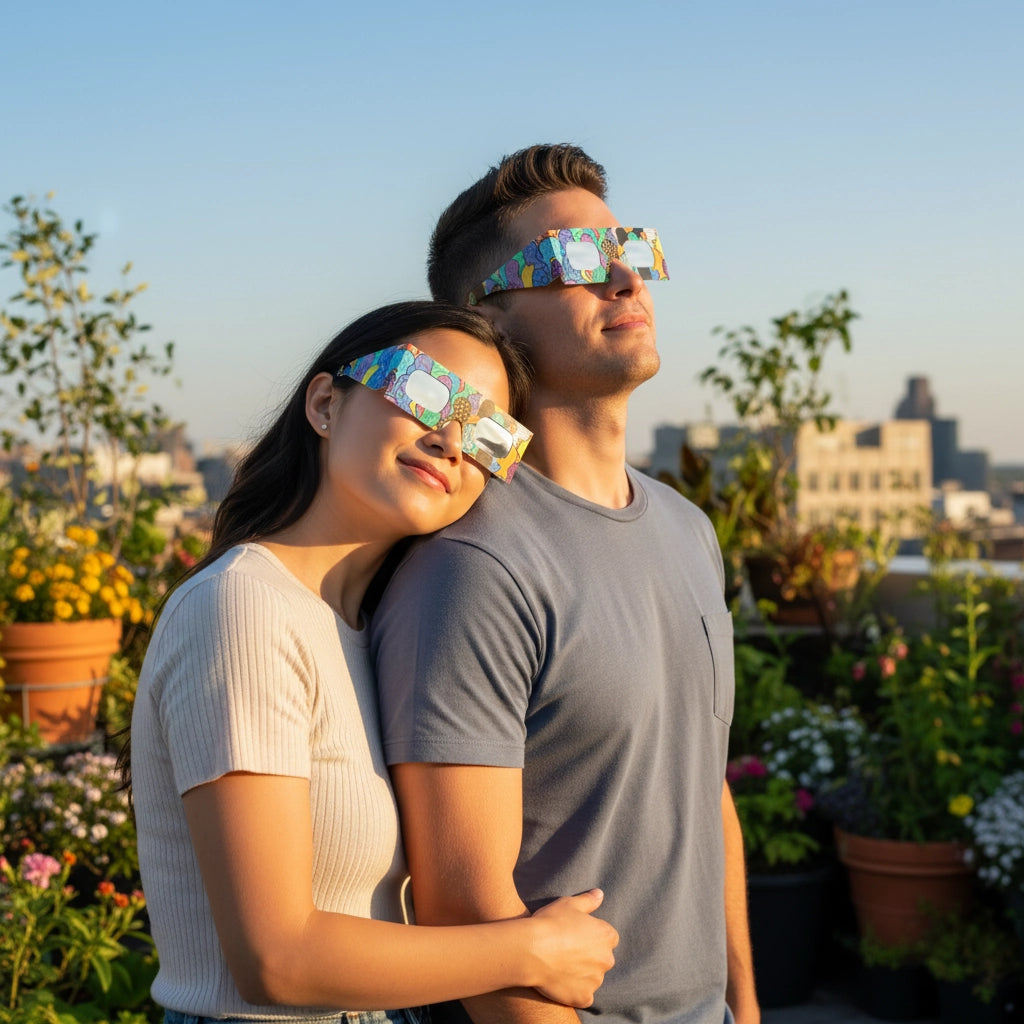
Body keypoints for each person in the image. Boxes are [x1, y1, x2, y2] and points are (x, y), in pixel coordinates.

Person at [127, 300, 619, 1024]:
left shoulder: (366, 628)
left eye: (490, 433)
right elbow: (276, 959)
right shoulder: (242, 607)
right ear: (326, 404)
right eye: (426, 392)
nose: (452, 441)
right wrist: (532, 950)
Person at [370, 147, 760, 1024]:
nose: (626, 277)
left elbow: (703, 789)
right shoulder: (472, 565)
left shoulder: (687, 531)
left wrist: (744, 1003)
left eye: (631, 249)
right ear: (488, 318)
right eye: (580, 259)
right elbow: (466, 910)